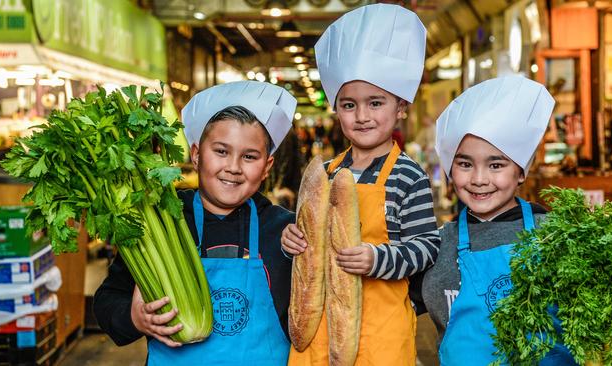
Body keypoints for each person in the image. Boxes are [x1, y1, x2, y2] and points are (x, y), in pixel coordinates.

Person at [93, 81, 297, 365]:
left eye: (249, 157)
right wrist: (134, 318)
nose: (234, 167)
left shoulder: (284, 230)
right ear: (197, 154)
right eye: (221, 152)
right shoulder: (162, 222)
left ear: (267, 167)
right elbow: (108, 298)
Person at [281, 4, 440, 365]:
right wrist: (293, 241)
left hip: (381, 335)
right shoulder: (324, 174)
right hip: (320, 332)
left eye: (376, 103)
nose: (363, 116)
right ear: (336, 109)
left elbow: (427, 247)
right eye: (349, 105)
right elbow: (311, 251)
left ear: (400, 107)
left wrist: (377, 258)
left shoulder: (408, 175)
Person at [420, 75, 577, 365]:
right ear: (450, 170)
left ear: (521, 171)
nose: (479, 179)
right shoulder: (437, 245)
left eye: (496, 165)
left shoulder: (555, 235)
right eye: (465, 164)